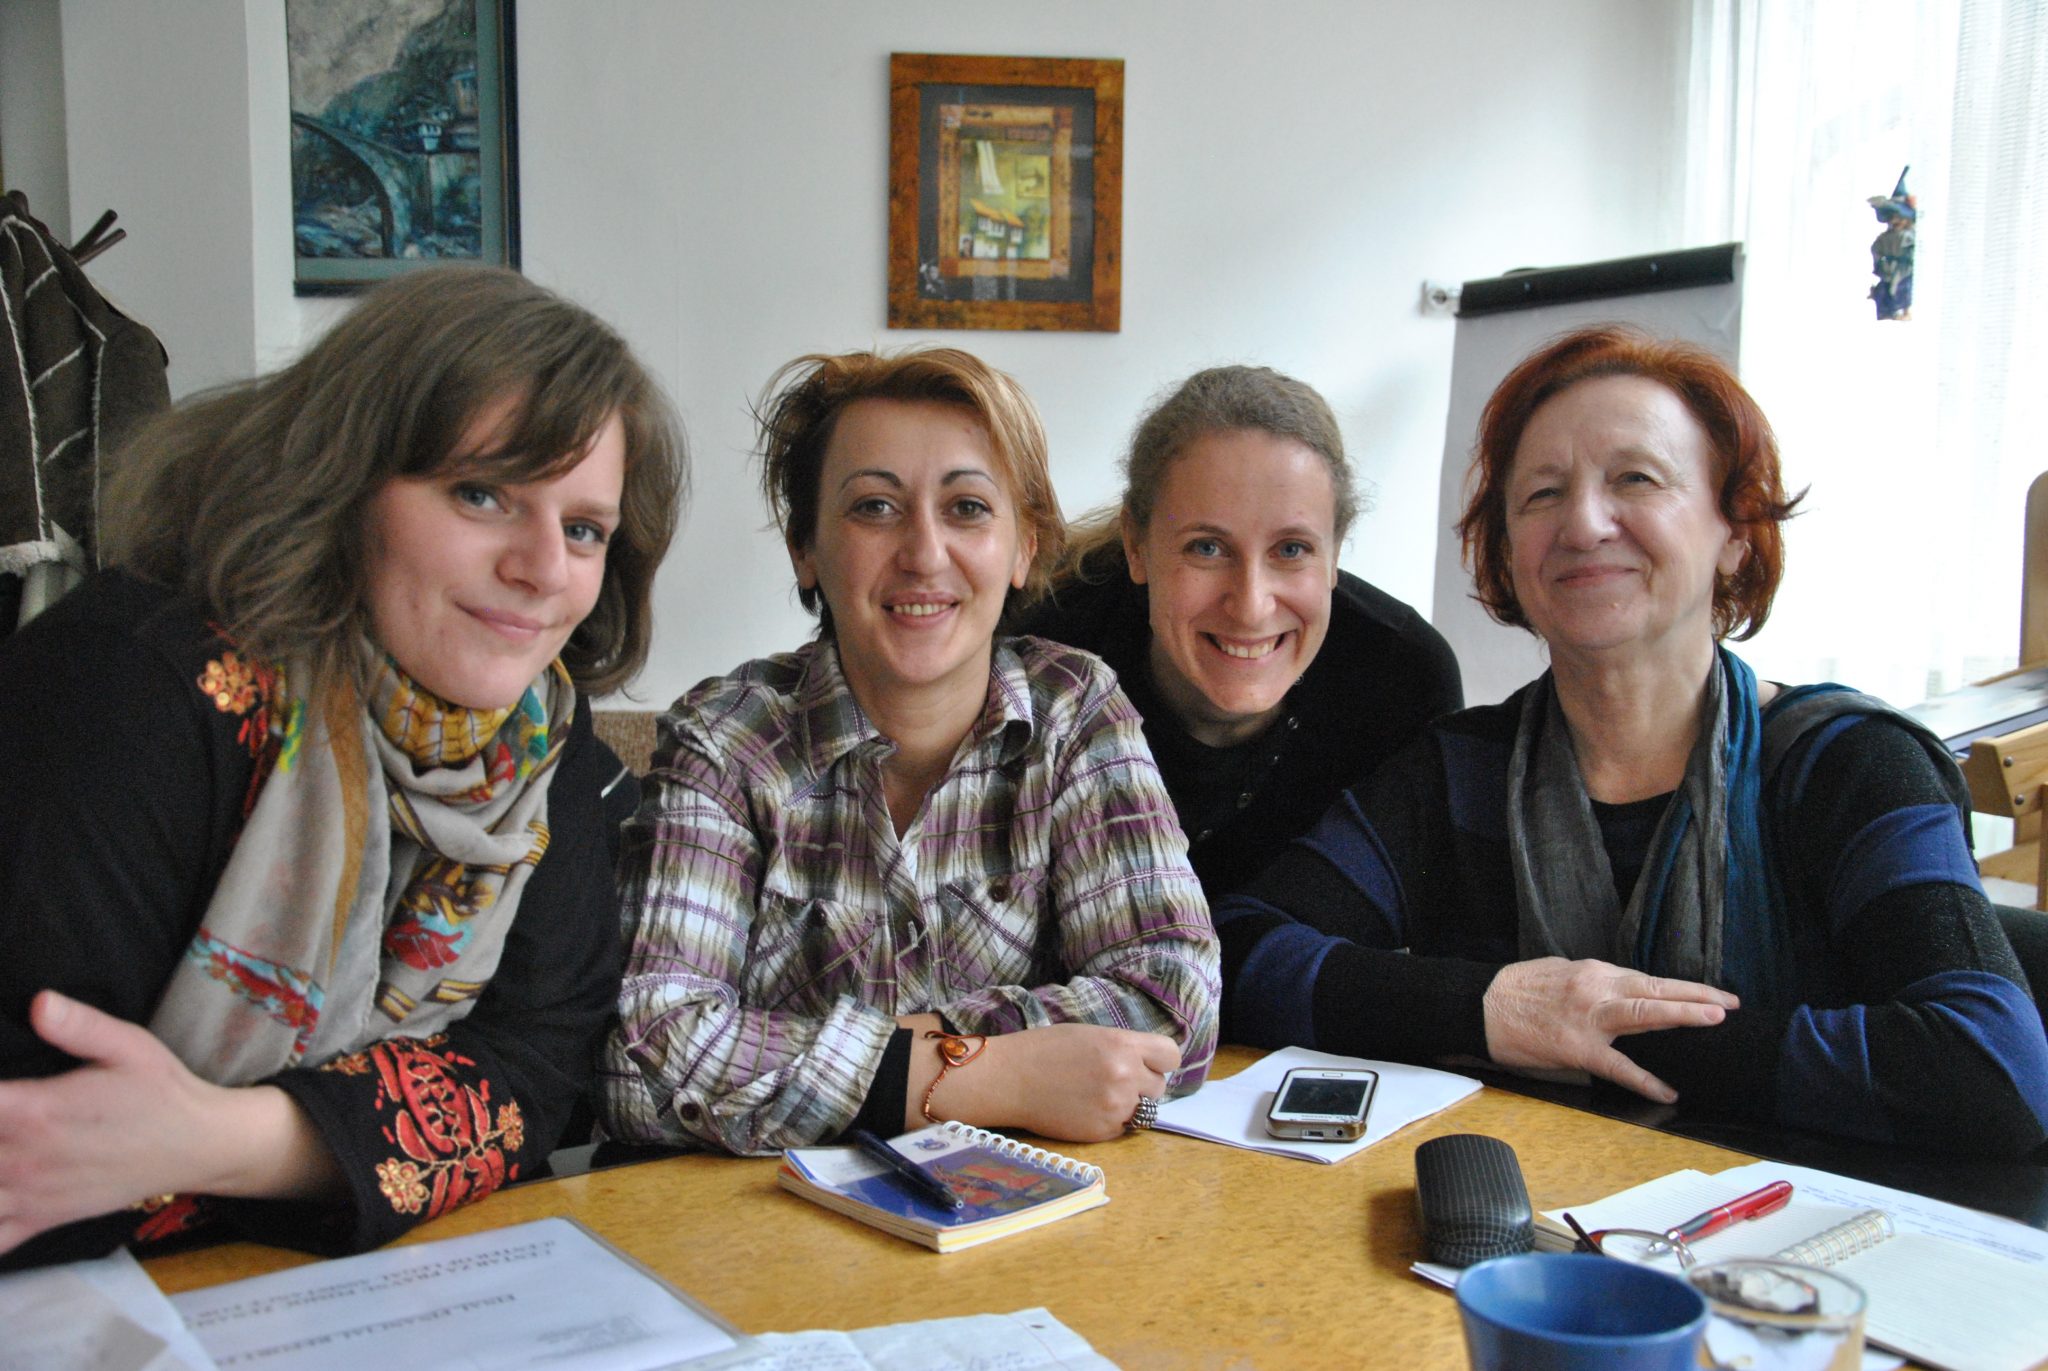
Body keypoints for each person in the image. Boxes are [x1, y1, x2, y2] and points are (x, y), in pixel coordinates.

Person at [1216, 325, 2048, 1157]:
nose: (1583, 523)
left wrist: (1596, 1031)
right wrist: (1491, 1009)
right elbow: (1236, 950)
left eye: (1636, 479)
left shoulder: (1852, 765)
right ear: (1506, 554)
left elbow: (1994, 1068)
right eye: (1541, 493)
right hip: (1516, 1246)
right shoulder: (1458, 771)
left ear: (1737, 532)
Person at [0, 266, 687, 1269]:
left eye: (582, 528)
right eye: (482, 493)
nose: (544, 569)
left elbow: (535, 1073)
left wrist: (221, 1139)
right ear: (341, 479)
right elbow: (50, 1139)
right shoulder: (128, 685)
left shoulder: (551, 758)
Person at [601, 347, 1218, 1155]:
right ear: (806, 548)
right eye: (874, 508)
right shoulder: (725, 739)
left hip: (1025, 1229)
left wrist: (837, 1060)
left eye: (966, 507)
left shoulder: (1077, 710)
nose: (924, 552)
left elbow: (1174, 1002)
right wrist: (996, 1078)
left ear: (1024, 544)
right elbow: (644, 1062)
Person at [1013, 366, 1462, 898]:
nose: (1250, 607)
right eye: (1207, 547)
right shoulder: (1040, 653)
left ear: (1336, 552)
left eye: (1291, 549)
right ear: (1137, 546)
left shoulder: (1403, 679)